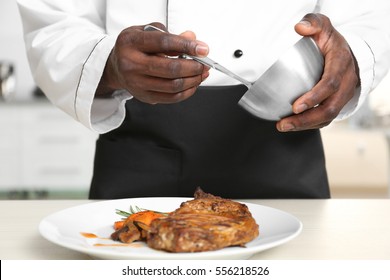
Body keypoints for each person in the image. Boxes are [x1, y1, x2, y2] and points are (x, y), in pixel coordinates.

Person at [17, 0, 390, 199]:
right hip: (140, 153)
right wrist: (109, 63)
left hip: (286, 143)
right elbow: (54, 21)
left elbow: (370, 11)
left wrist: (354, 54)